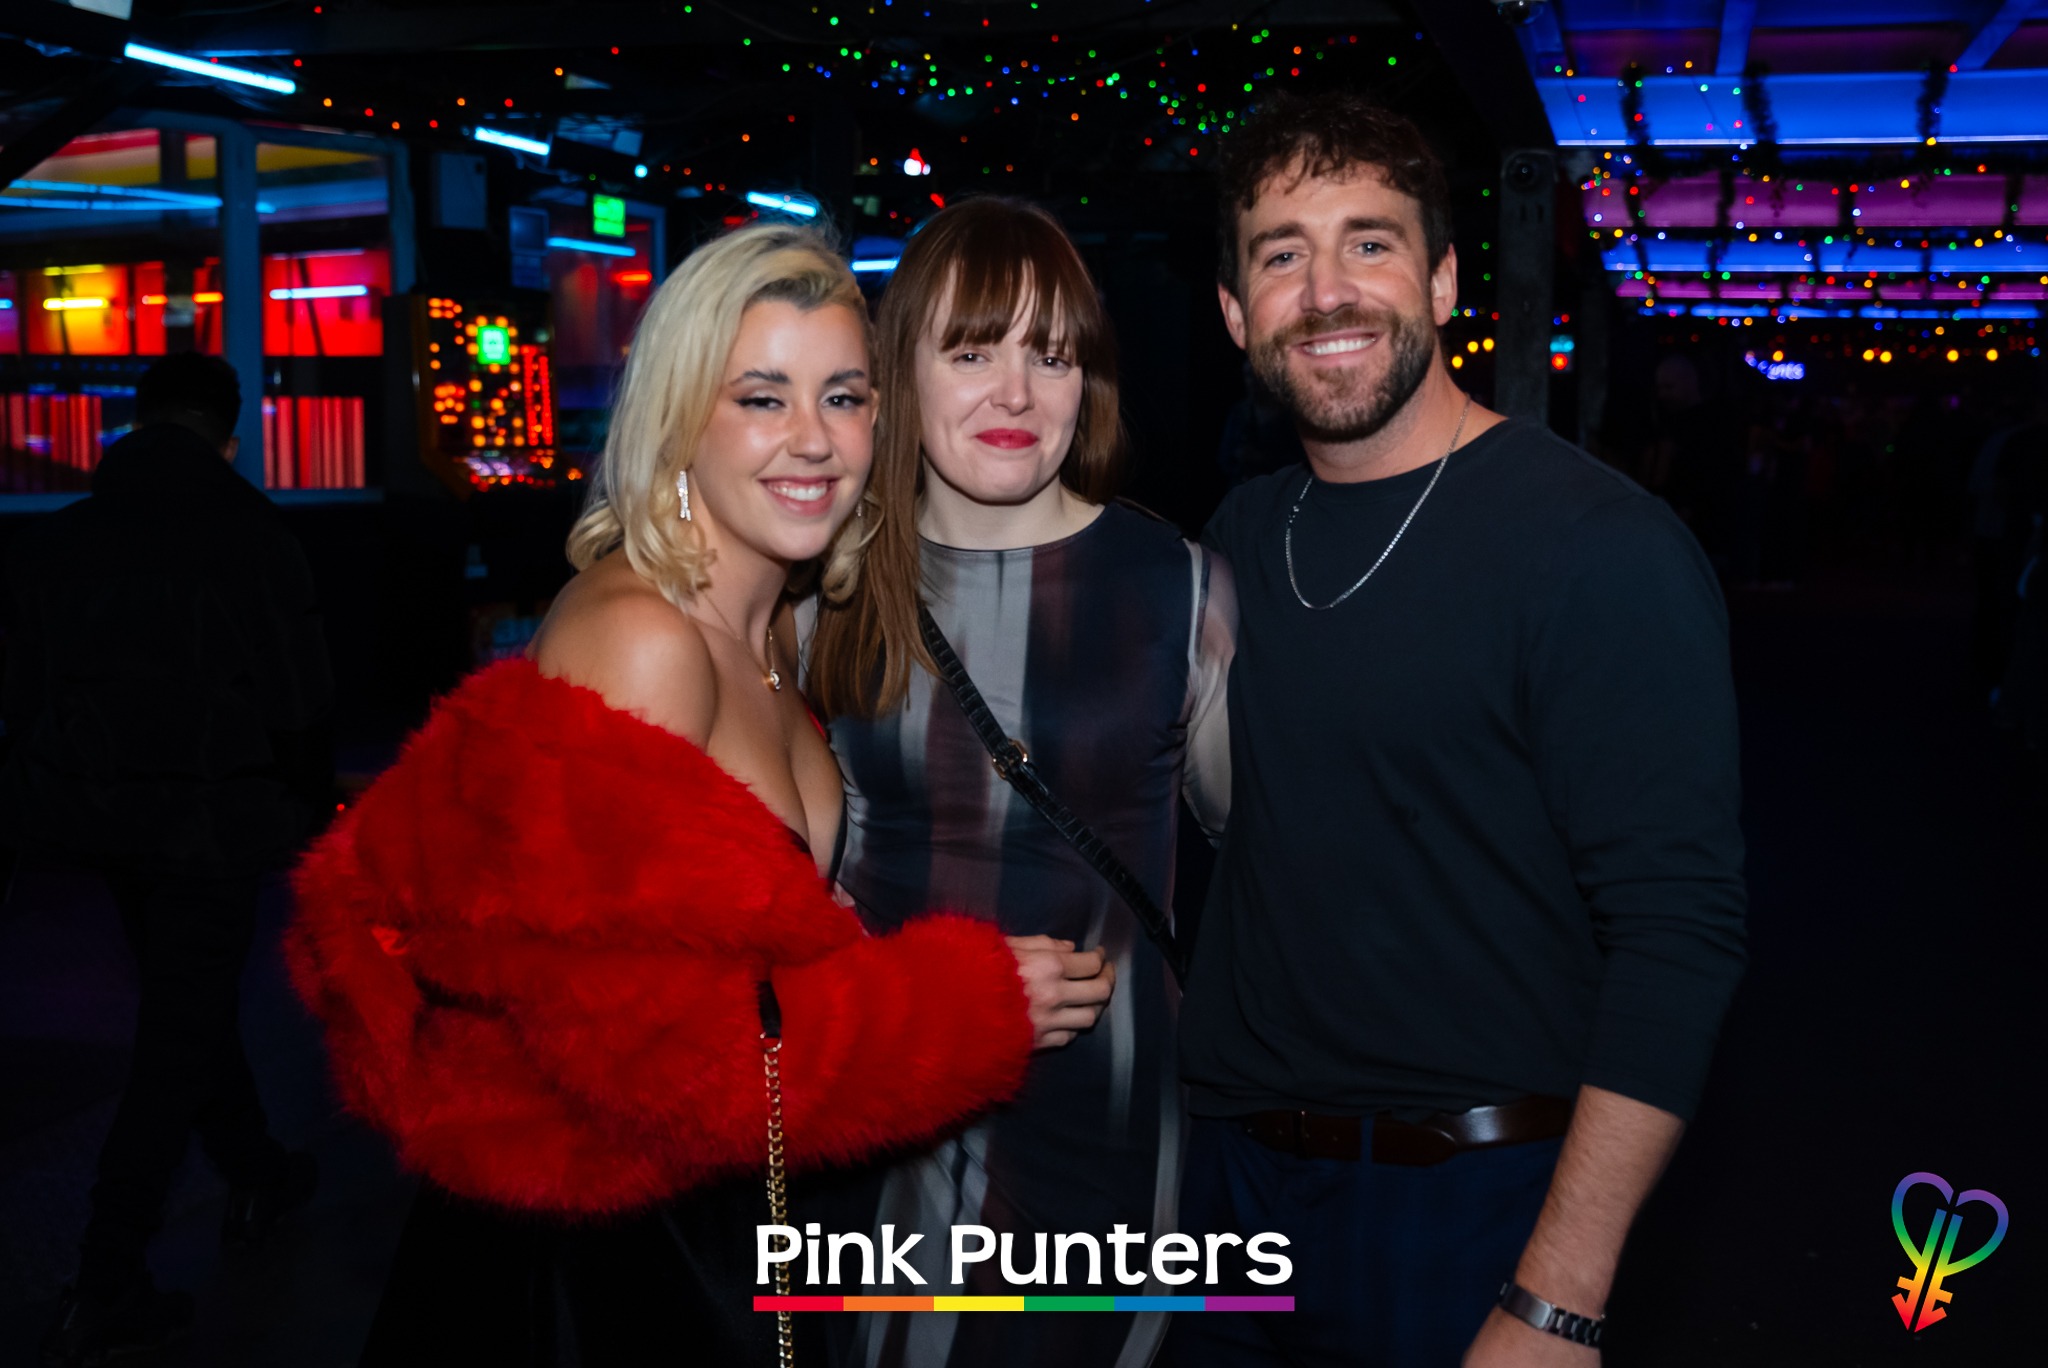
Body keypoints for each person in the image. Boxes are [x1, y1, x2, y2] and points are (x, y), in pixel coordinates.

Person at [286, 223, 1109, 1366]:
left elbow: (710, 942)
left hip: (707, 1226)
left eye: (842, 397)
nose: (813, 439)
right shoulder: (640, 639)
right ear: (679, 421)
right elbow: (651, 1063)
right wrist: (969, 1006)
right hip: (587, 1268)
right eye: (761, 398)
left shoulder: (773, 630)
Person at [1167, 92, 1747, 1367]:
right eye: (1281, 255)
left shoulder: (1594, 549)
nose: (1326, 292)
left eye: (1368, 244)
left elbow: (1676, 935)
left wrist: (1557, 1293)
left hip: (1471, 1202)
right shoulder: (1238, 539)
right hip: (1231, 1196)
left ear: (1439, 283)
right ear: (1234, 313)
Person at [805, 197, 1233, 1368]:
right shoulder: (825, 583)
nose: (1015, 393)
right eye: (970, 351)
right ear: (899, 370)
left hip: (1111, 1136)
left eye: (1051, 355)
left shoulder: (1179, 587)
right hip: (887, 1132)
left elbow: (1262, 854)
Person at [1, 353, 331, 1365]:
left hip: (102, 820)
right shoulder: (254, 536)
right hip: (215, 822)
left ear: (138, 421)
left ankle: (254, 1166)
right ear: (229, 435)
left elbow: (27, 687)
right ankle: (107, 1273)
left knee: (188, 1005)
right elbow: (297, 695)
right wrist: (309, 802)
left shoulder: (66, 536)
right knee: (178, 1031)